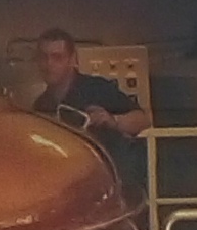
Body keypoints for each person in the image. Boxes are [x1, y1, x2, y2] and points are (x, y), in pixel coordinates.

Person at [31, 31, 144, 186]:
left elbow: (142, 119)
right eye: (44, 57)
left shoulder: (97, 89)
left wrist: (114, 121)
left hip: (109, 180)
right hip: (68, 182)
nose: (49, 64)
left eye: (57, 57)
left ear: (72, 59)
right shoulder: (41, 105)